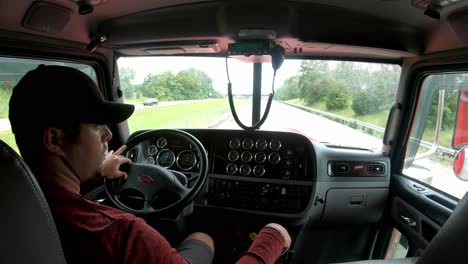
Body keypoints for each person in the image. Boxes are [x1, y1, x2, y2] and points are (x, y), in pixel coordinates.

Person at [8, 65, 291, 264]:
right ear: (55, 140)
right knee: (204, 234)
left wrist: (100, 168)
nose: (108, 134)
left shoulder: (14, 209)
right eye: (96, 125)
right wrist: (271, 239)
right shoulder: (120, 232)